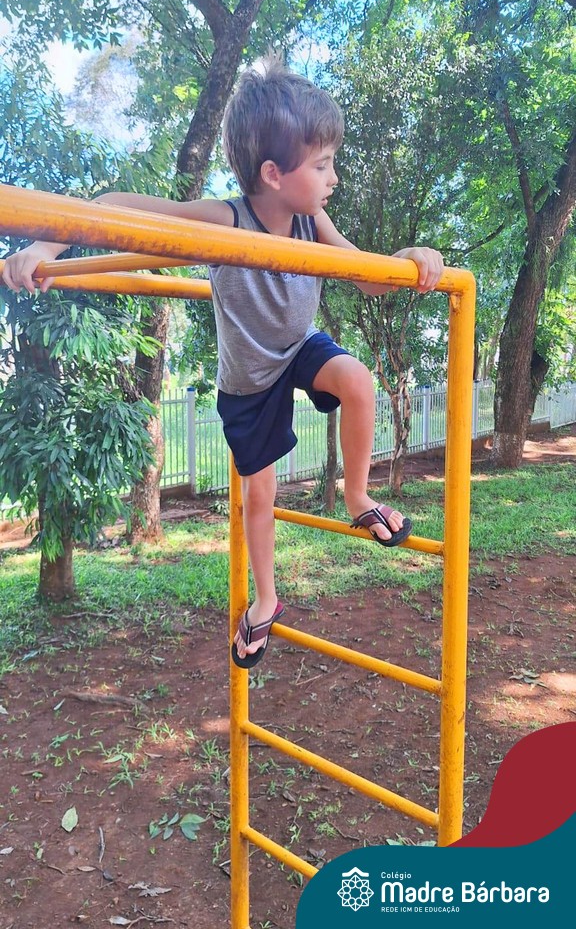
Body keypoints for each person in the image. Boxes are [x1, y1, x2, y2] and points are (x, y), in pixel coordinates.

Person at [2, 55, 444, 668]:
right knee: (259, 497)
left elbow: (365, 275)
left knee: (357, 379)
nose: (334, 177)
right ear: (272, 173)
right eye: (322, 165)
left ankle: (357, 495)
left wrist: (411, 259)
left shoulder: (312, 218)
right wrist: (44, 245)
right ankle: (266, 599)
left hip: (298, 347)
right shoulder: (226, 220)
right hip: (249, 380)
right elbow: (116, 207)